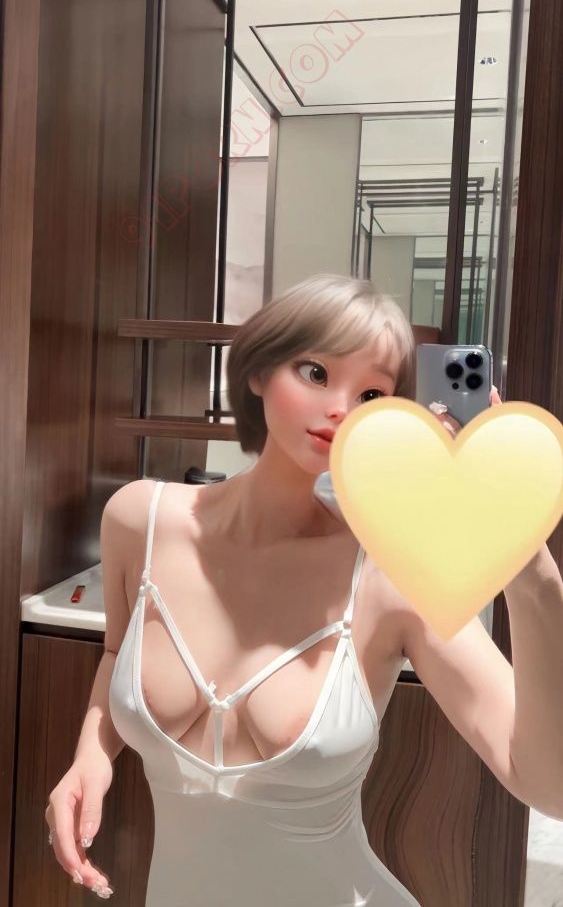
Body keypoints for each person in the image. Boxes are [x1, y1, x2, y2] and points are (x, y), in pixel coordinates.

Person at [44, 272, 542, 905]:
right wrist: (92, 755)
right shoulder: (138, 519)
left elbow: (542, 782)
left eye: (370, 394)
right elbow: (118, 653)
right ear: (258, 370)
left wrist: (532, 572)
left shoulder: (389, 571)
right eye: (315, 373)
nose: (340, 408)